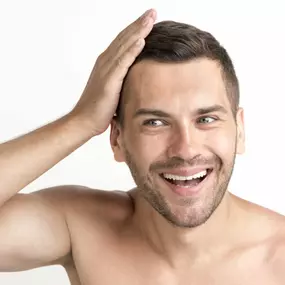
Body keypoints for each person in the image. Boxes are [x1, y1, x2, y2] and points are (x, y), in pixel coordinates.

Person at [0, 8, 284, 284]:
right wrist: (81, 121)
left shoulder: (278, 257)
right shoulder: (82, 228)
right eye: (155, 123)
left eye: (206, 119)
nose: (185, 149)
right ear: (117, 140)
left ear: (240, 130)